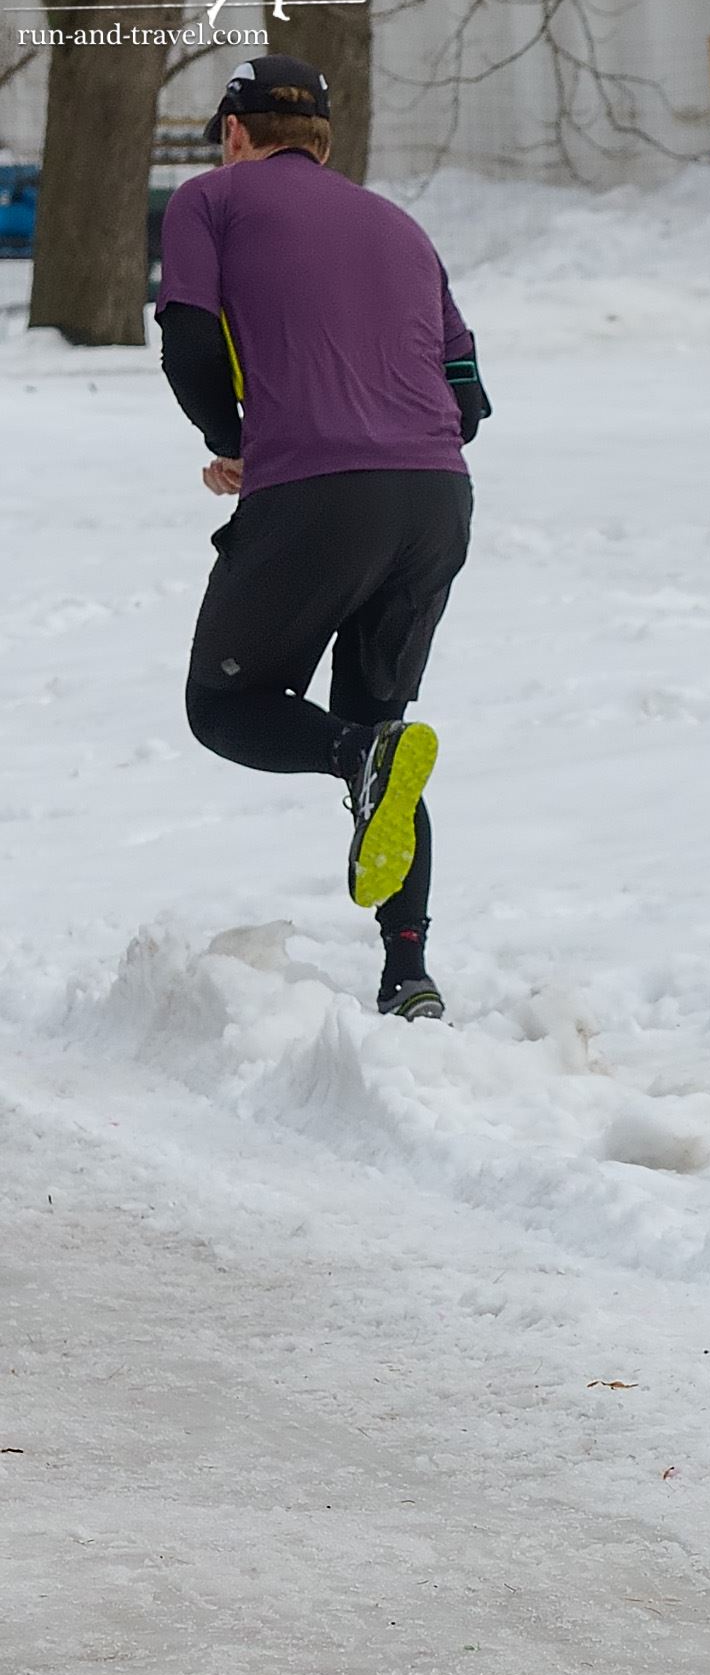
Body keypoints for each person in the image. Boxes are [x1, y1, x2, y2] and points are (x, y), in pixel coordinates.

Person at [158, 56, 489, 1021]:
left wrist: (235, 442)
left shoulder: (208, 201)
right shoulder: (399, 225)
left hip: (317, 500)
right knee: (382, 738)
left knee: (226, 704)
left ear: (233, 132)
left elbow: (188, 344)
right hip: (436, 503)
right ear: (324, 139)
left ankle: (359, 757)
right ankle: (408, 973)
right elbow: (467, 399)